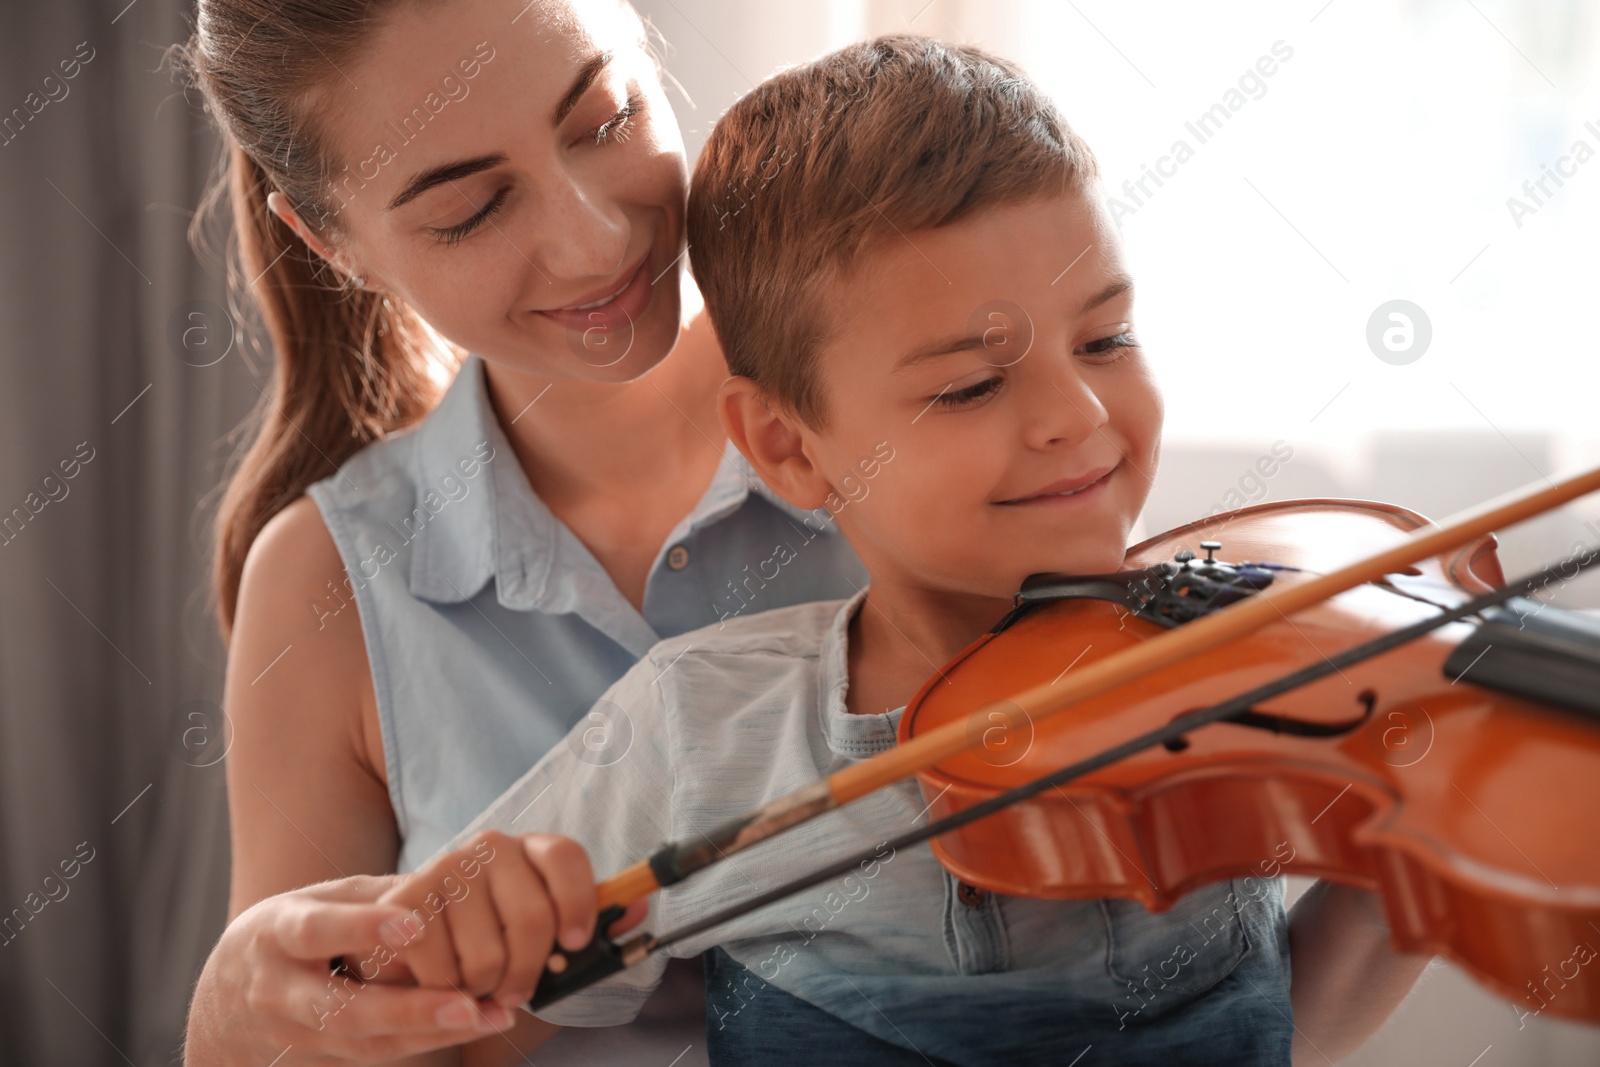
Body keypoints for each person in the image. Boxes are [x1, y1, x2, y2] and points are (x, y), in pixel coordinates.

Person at [378, 33, 1433, 1067]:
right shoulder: (698, 729)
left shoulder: (1236, 664)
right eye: (971, 385)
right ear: (788, 448)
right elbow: (445, 1032)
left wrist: (1443, 813)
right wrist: (450, 935)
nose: (1076, 413)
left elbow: (1277, 1015)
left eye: (1105, 339)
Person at [178, 0, 866, 1064]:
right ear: (334, 244)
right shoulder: (322, 582)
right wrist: (234, 1025)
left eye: (602, 118)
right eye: (470, 208)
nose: (595, 238)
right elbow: (317, 1033)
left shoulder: (913, 404)